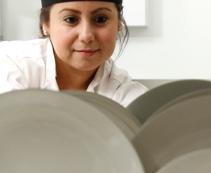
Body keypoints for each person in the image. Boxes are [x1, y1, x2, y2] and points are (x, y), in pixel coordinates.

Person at [0, 0, 147, 107]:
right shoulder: (11, 67)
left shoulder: (127, 95)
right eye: (70, 19)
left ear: (119, 24)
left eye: (100, 19)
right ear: (46, 25)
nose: (86, 35)